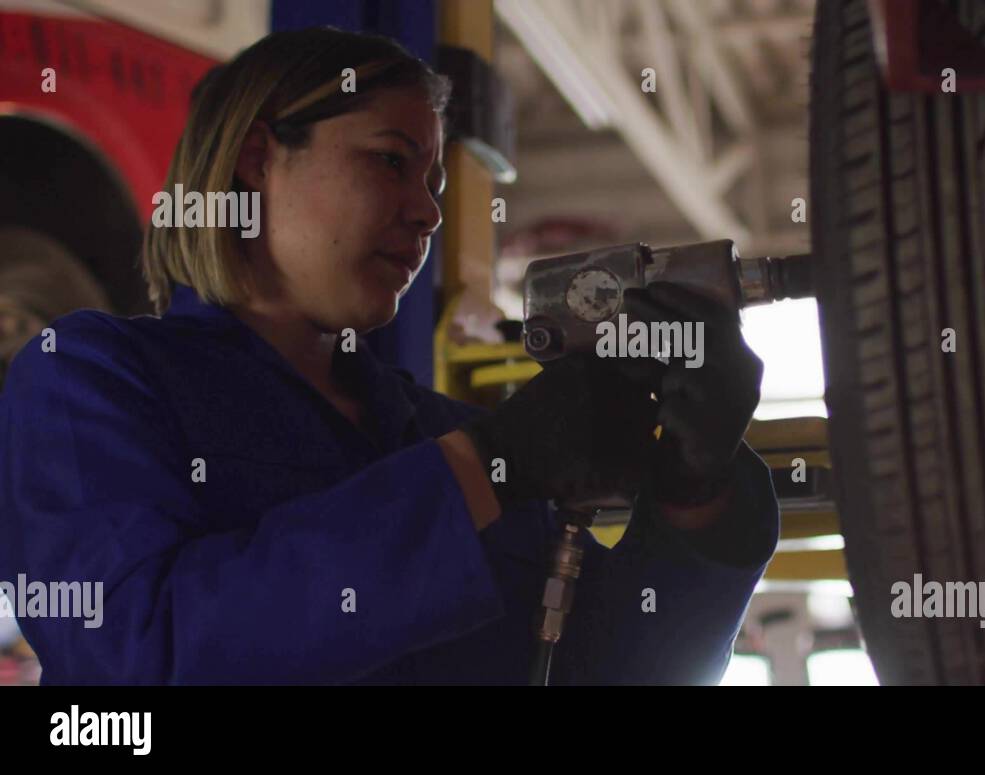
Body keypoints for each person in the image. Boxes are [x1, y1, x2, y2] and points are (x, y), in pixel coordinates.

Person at [0, 27, 778, 685]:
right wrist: (484, 468)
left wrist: (696, 498)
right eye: (391, 161)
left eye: (436, 182)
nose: (430, 212)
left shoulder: (440, 433)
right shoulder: (89, 378)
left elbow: (602, 669)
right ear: (256, 159)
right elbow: (134, 653)